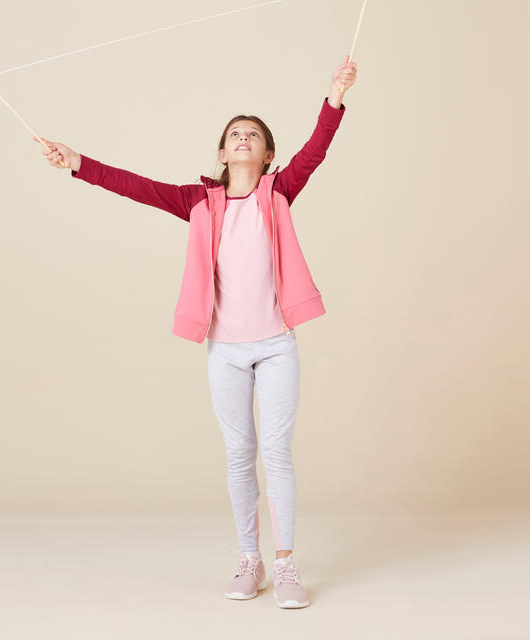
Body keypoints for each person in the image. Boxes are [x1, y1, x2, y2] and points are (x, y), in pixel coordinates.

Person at [34, 56, 357, 608]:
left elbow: (317, 148)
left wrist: (333, 96)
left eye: (253, 135)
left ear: (268, 154)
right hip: (225, 350)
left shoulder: (279, 191)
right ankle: (248, 559)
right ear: (222, 151)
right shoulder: (197, 202)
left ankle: (285, 565)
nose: (243, 139)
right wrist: (76, 161)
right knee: (239, 452)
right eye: (235, 134)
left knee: (276, 451)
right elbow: (134, 186)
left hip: (276, 345)